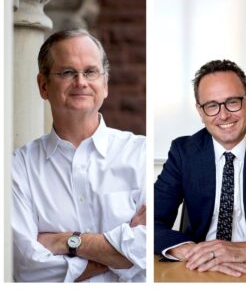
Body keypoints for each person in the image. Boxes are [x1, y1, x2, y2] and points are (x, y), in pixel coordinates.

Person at [12, 29, 146, 282]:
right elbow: (26, 267)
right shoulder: (18, 167)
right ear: (43, 86)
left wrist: (66, 242)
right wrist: (120, 254)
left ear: (105, 84)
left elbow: (148, 248)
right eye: (67, 72)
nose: (81, 82)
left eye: (90, 72)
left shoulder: (140, 154)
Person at [154, 59, 246, 277]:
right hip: (198, 267)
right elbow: (149, 221)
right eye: (211, 105)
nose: (223, 115)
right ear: (200, 112)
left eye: (232, 102)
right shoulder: (184, 151)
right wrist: (192, 251)